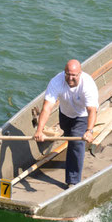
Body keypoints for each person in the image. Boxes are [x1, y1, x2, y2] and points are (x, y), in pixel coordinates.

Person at [34, 59, 98, 188]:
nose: (70, 78)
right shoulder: (56, 81)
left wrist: (89, 131)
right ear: (64, 73)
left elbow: (92, 110)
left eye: (74, 75)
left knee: (75, 143)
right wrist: (39, 130)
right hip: (65, 114)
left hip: (82, 115)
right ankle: (73, 159)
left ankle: (73, 181)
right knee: (69, 135)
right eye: (68, 74)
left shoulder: (88, 84)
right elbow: (46, 108)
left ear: (80, 73)